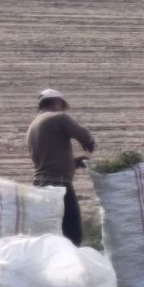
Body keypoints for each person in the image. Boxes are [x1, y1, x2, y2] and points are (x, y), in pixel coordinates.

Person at [26, 89, 96, 246]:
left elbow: (48, 159)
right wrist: (89, 142)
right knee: (73, 232)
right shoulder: (58, 117)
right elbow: (83, 134)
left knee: (52, 233)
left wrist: (73, 163)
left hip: (40, 184)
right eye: (62, 105)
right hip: (58, 184)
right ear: (57, 102)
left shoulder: (34, 125)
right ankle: (70, 266)